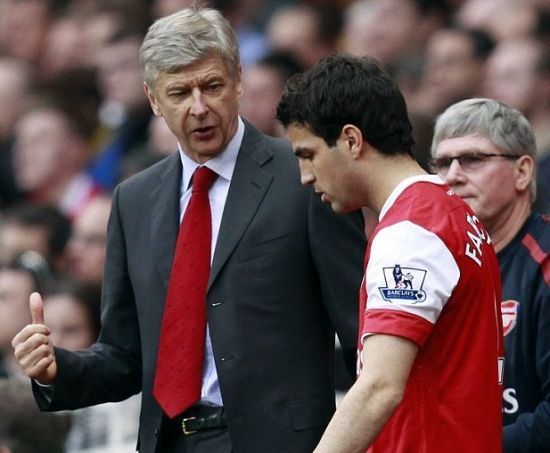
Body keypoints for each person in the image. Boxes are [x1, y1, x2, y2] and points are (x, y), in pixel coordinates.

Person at [11, 8, 366, 453]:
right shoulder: (133, 200)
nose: (199, 108)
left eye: (212, 86)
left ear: (238, 80)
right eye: (179, 92)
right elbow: (125, 356)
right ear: (153, 99)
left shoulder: (304, 176)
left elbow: (362, 334)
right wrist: (56, 369)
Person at [276, 53, 504, 452]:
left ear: (351, 140)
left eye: (309, 154)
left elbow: (379, 387)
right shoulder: (448, 211)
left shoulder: (411, 233)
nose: (305, 176)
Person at [430, 97, 550, 453]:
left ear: (522, 171)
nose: (453, 176)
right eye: (442, 163)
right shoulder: (433, 264)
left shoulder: (544, 263)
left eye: (473, 159)